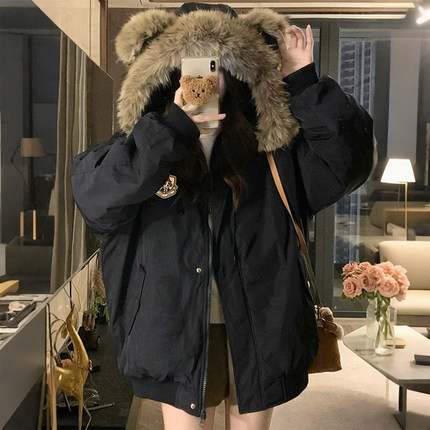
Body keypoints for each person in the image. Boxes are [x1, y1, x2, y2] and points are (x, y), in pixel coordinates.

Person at [72, 3, 374, 429]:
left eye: (217, 63)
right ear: (167, 71)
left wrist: (303, 81)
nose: (205, 78)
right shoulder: (145, 146)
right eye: (192, 63)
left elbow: (347, 166)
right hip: (173, 329)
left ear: (238, 69)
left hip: (262, 324)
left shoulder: (271, 151)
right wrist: (172, 129)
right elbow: (96, 199)